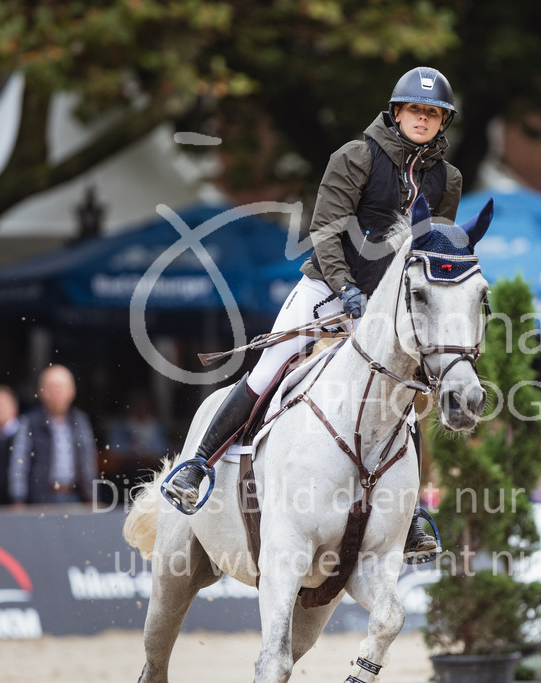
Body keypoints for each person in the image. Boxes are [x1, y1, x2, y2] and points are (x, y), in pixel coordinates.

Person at [163, 66, 462, 561]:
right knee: (271, 365)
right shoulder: (356, 156)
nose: (423, 119)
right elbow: (325, 230)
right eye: (416, 109)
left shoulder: (446, 178)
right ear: (397, 112)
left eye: (433, 113)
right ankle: (198, 465)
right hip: (328, 286)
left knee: (403, 392)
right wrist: (345, 290)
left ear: (442, 122)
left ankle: (408, 517)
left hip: (387, 307)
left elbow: (428, 250)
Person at [8, 364, 100, 504]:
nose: (57, 392)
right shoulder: (30, 422)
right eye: (51, 387)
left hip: (75, 496)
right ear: (40, 391)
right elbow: (19, 462)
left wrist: (93, 497)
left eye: (62, 386)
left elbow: (88, 461)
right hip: (41, 498)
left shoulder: (80, 421)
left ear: (72, 391)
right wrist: (18, 499)